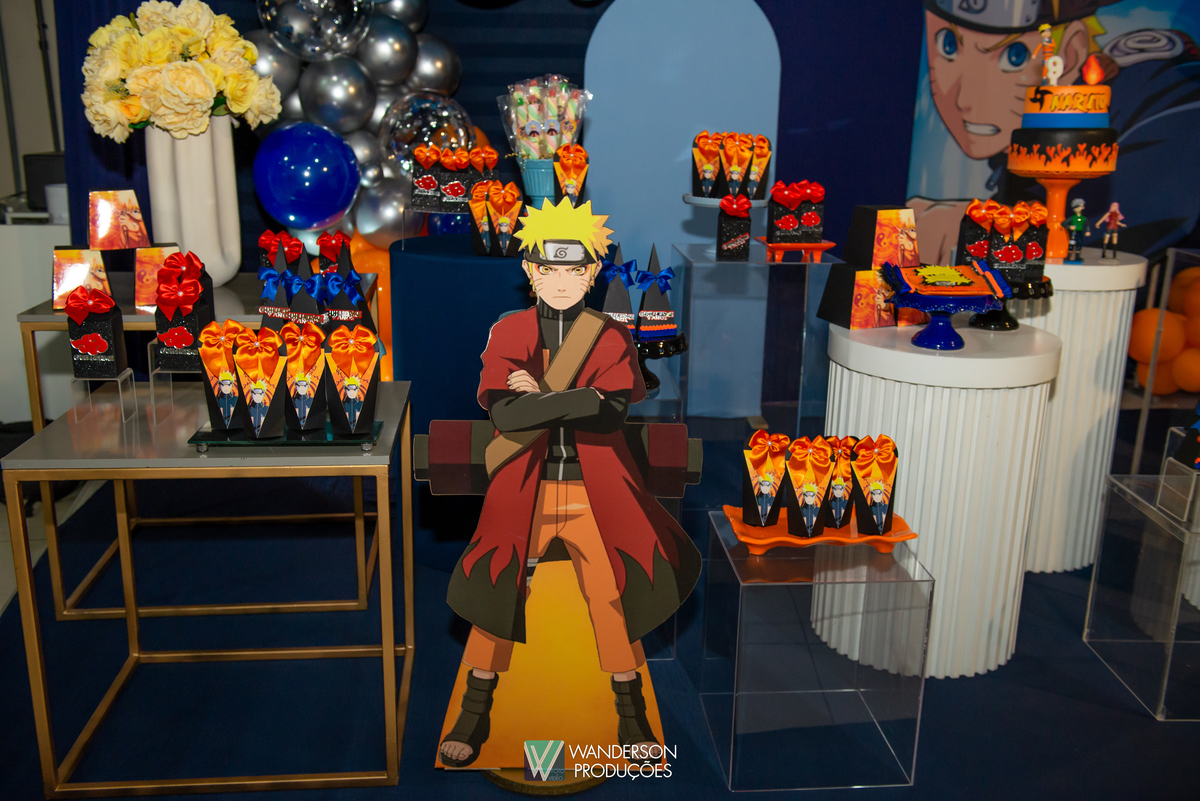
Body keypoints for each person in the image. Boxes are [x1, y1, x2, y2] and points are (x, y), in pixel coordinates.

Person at [438, 199, 701, 768]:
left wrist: (541, 395)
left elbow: (610, 414)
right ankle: (474, 711)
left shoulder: (610, 336)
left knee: (615, 598)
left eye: (574, 269)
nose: (560, 281)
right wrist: (576, 399)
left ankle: (631, 714)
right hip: (523, 489)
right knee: (498, 591)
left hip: (596, 490)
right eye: (548, 268)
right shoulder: (509, 330)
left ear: (592, 272)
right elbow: (505, 415)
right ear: (530, 271)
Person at [907, 0, 1200, 264]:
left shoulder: (1166, 95)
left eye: (1014, 56)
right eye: (948, 45)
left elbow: (1144, 221)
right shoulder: (1026, 143)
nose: (964, 99)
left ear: (1070, 53)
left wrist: (989, 232)